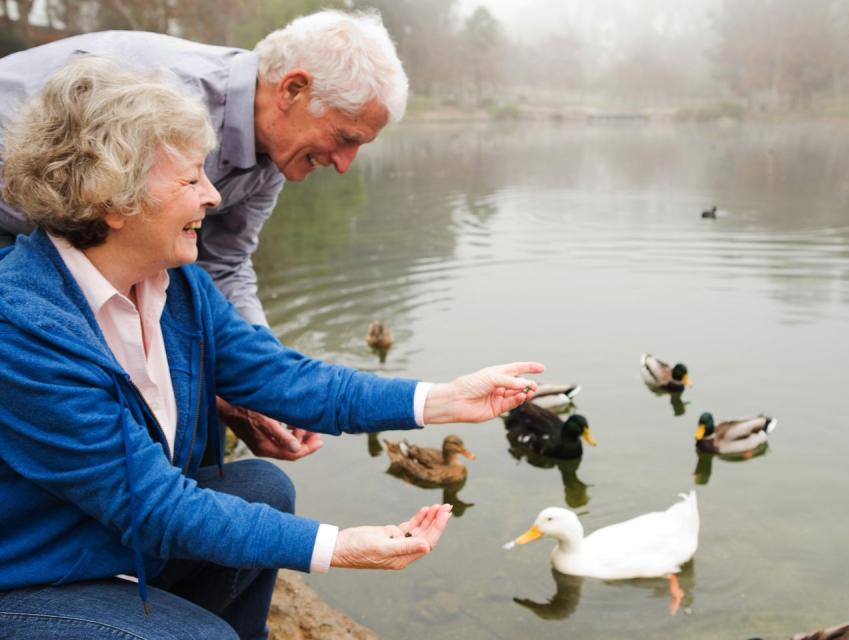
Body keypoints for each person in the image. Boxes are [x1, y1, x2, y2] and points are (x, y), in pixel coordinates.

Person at [0, 56, 543, 640]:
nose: (212, 195)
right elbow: (158, 508)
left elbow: (286, 379)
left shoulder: (179, 287)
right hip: (31, 576)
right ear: (111, 196)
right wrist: (338, 545)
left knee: (264, 488)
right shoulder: (25, 328)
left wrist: (443, 399)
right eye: (190, 180)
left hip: (103, 536)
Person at [0, 9, 409, 461]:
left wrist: (269, 388)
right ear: (294, 89)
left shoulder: (274, 150)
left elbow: (225, 266)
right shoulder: (159, 105)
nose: (344, 163)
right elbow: (79, 255)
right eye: (344, 137)